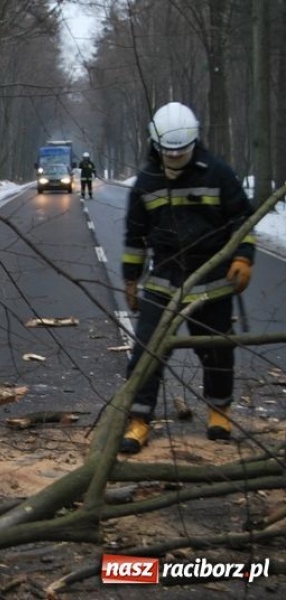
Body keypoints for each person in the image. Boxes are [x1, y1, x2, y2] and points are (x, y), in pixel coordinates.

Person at [119, 101, 255, 454]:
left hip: (210, 280)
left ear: (194, 142)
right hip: (163, 280)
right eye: (169, 151)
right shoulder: (145, 183)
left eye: (182, 151)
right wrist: (131, 279)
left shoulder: (218, 174)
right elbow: (134, 238)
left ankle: (218, 412)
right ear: (157, 145)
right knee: (147, 351)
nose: (175, 157)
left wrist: (243, 257)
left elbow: (243, 218)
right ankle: (138, 420)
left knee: (215, 350)